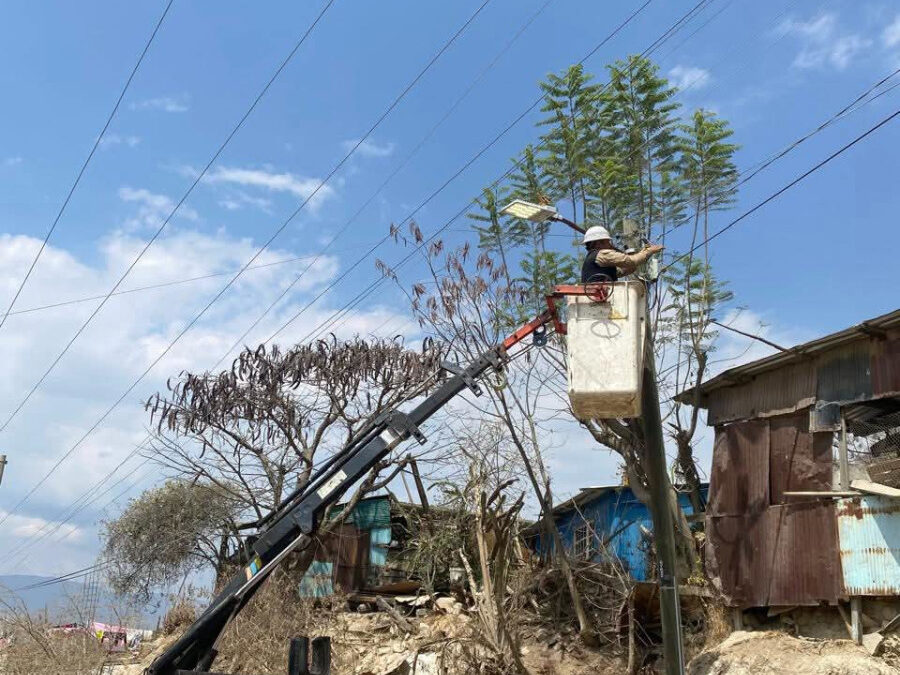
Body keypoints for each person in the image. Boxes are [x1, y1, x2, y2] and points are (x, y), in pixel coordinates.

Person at [580, 225, 664, 283]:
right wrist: (649, 251)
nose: (610, 244)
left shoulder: (594, 258)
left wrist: (642, 253)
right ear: (598, 243)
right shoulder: (602, 254)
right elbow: (631, 261)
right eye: (607, 241)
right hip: (601, 295)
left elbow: (623, 270)